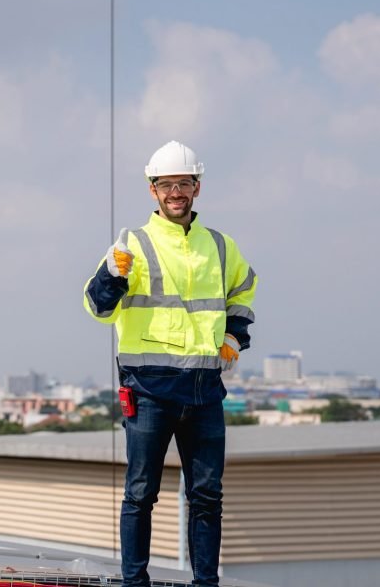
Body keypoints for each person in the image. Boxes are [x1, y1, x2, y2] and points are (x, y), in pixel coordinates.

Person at [82, 141, 257, 587]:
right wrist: (112, 276)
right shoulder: (132, 245)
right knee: (140, 494)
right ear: (153, 190)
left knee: (207, 496)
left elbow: (243, 291)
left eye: (183, 183)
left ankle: (205, 583)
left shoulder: (220, 246)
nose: (175, 192)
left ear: (197, 187)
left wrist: (234, 336)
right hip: (149, 390)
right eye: (166, 185)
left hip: (204, 389)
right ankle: (134, 583)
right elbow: (99, 308)